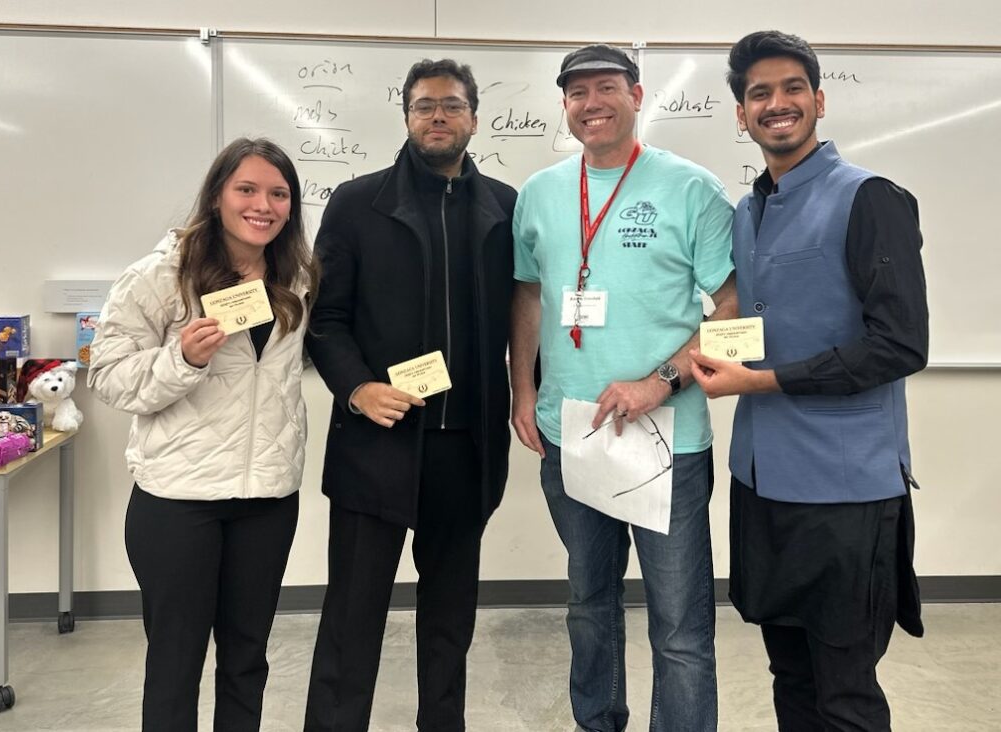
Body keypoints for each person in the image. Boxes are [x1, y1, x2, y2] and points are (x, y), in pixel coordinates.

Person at [689, 30, 928, 732]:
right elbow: (753, 323)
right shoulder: (747, 211)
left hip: (845, 489)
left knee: (845, 690)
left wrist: (761, 385)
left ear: (819, 100)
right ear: (741, 114)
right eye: (758, 93)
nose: (777, 103)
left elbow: (900, 345)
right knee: (788, 671)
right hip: (763, 481)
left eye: (792, 88)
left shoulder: (870, 199)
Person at [510, 44, 738, 732]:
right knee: (589, 608)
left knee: (679, 626)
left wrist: (660, 382)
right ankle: (598, 722)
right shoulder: (541, 194)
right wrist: (523, 391)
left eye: (606, 87)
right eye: (577, 93)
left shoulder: (692, 188)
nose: (592, 103)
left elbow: (733, 309)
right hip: (570, 432)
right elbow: (528, 296)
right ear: (565, 107)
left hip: (668, 439)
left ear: (638, 96)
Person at [303, 58, 516, 731]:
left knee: (451, 620)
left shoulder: (507, 208)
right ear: (406, 117)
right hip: (378, 445)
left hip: (468, 450)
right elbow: (325, 322)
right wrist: (358, 387)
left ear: (473, 118)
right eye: (424, 105)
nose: (438, 117)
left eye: (452, 105)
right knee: (351, 619)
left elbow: (527, 315)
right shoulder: (355, 202)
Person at [88, 138, 318, 731]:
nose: (262, 204)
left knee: (247, 659)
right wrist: (181, 360)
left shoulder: (298, 276)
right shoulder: (160, 274)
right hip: (178, 503)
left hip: (267, 498)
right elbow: (108, 376)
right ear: (217, 196)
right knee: (175, 661)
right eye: (246, 189)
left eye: (278, 193)